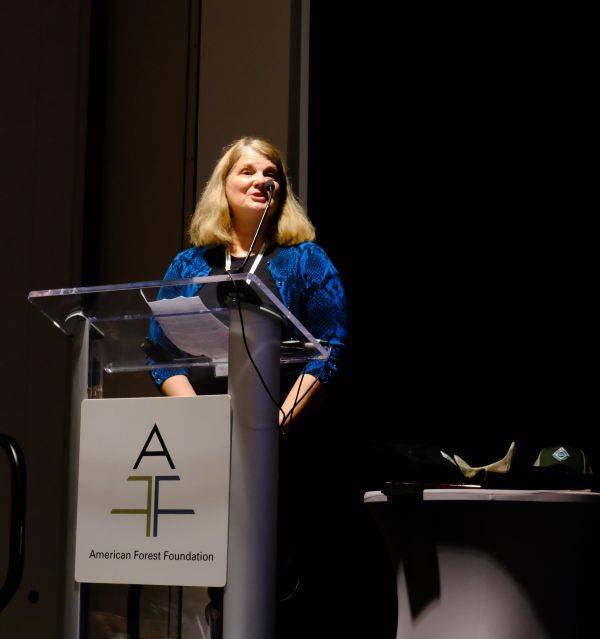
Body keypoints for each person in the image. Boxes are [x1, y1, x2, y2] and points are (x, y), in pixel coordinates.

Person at [147, 136, 349, 637]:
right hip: (212, 447)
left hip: (287, 446)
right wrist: (205, 424)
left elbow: (331, 346)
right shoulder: (189, 265)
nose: (263, 181)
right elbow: (161, 354)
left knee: (283, 582)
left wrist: (273, 424)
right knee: (223, 582)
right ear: (224, 185)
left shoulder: (304, 260)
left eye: (272, 176)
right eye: (249, 172)